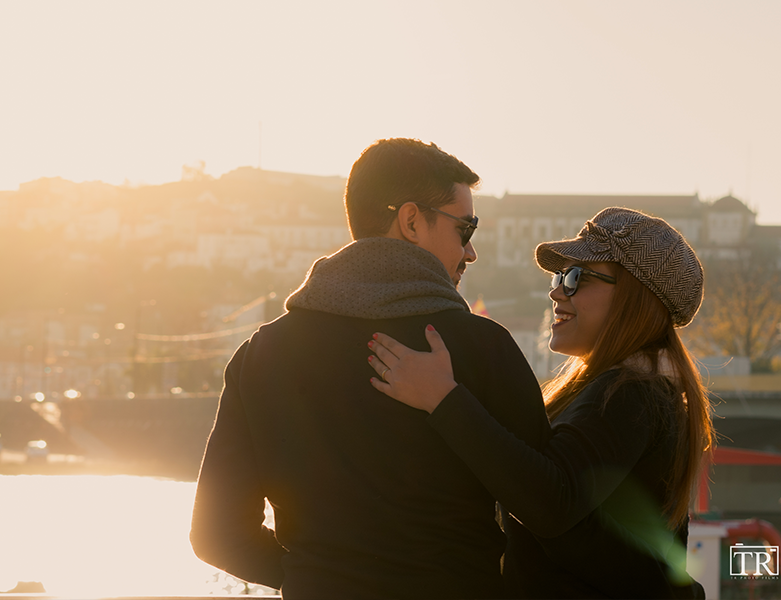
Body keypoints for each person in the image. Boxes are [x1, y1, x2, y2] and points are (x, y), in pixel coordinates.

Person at [190, 138, 552, 599]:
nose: (471, 252)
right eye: (466, 229)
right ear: (412, 221)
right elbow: (544, 514)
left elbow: (215, 533)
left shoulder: (262, 354)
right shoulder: (484, 347)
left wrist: (314, 575)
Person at [367, 207, 715, 599]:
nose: (555, 291)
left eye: (574, 277)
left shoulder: (631, 394)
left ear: (634, 297)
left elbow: (551, 500)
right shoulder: (642, 390)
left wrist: (444, 399)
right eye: (558, 276)